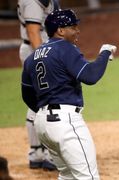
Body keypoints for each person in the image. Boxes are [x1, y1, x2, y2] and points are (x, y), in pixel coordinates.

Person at [21, 9, 116, 179]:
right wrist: (105, 53)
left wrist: (45, 111)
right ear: (60, 30)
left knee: (66, 175)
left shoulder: (32, 57)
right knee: (88, 177)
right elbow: (90, 76)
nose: (77, 30)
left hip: (43, 126)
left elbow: (27, 94)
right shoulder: (65, 48)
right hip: (66, 123)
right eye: (73, 27)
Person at [17, 0, 59, 170]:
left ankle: (37, 154)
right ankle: (47, 154)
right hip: (35, 50)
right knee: (45, 99)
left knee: (38, 101)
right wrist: (43, 59)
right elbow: (33, 32)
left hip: (40, 50)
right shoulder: (32, 2)